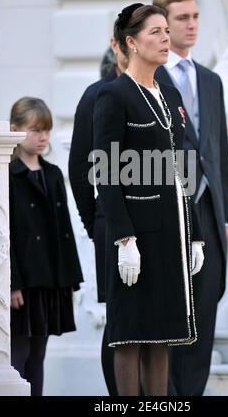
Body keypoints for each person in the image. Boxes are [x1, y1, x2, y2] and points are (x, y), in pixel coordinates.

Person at [93, 3, 205, 396]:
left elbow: (180, 166)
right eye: (155, 32)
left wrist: (194, 233)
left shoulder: (169, 93)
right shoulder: (114, 95)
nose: (165, 39)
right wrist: (124, 239)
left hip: (170, 231)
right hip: (135, 236)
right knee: (130, 334)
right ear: (131, 42)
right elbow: (106, 175)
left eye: (165, 30)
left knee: (162, 333)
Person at [153, 0, 228, 396]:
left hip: (208, 212)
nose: (192, 24)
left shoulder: (212, 80)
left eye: (196, 16)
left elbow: (219, 153)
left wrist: (227, 218)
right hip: (167, 212)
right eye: (182, 17)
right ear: (164, 25)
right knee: (169, 321)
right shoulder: (145, 80)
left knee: (204, 315)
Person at [9, 97, 83, 396]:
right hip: (23, 284)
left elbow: (63, 230)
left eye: (47, 130)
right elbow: (5, 232)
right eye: (35, 130)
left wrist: (68, 279)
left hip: (50, 279)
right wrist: (12, 282)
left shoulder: (52, 174)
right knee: (18, 354)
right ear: (14, 130)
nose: (42, 137)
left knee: (38, 355)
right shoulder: (6, 174)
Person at [68, 38, 127, 396]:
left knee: (156, 327)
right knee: (120, 323)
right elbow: (79, 169)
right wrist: (96, 224)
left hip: (158, 229)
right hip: (113, 227)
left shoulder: (163, 92)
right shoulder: (96, 95)